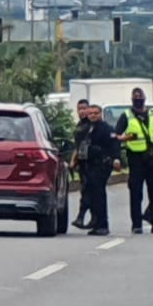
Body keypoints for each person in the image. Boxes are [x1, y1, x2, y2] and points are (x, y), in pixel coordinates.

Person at [115, 87, 153, 235]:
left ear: (144, 97)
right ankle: (136, 225)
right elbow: (116, 136)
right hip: (136, 158)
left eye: (140, 96)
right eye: (135, 96)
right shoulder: (126, 115)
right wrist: (127, 138)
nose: (138, 98)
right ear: (132, 99)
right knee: (136, 193)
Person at [80, 102, 117, 236]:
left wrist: (116, 159)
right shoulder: (87, 127)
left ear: (100, 114)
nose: (93, 115)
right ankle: (96, 223)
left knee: (99, 195)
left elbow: (114, 144)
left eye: (96, 113)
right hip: (89, 165)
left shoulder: (106, 128)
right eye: (90, 113)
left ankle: (103, 224)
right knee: (92, 195)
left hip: (101, 165)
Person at [71, 99, 92, 230]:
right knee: (85, 190)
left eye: (85, 108)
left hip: (92, 162)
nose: (82, 111)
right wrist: (73, 160)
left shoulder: (91, 125)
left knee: (88, 191)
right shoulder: (80, 124)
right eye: (80, 109)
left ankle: (82, 216)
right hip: (83, 162)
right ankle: (87, 218)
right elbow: (77, 146)